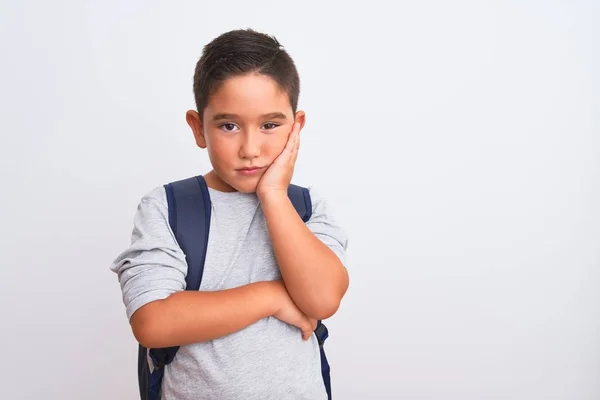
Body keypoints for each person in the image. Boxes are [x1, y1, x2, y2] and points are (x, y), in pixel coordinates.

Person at [110, 28, 349, 400]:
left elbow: (322, 301)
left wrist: (273, 195)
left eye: (270, 125)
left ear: (296, 127)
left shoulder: (306, 208)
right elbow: (152, 321)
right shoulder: (168, 207)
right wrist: (271, 297)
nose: (250, 148)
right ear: (198, 127)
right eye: (229, 125)